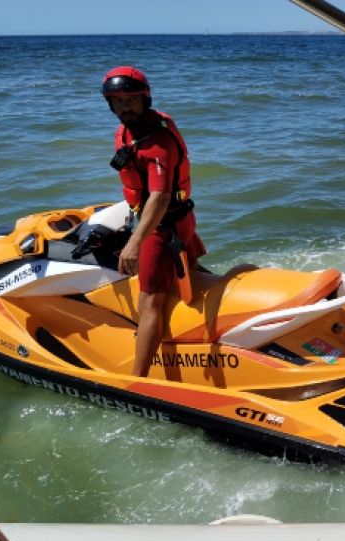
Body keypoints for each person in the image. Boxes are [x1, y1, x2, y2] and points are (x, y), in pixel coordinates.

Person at [102, 66, 205, 378]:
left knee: (148, 305)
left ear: (145, 98)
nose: (125, 107)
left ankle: (139, 379)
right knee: (190, 279)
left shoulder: (157, 142)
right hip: (180, 218)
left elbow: (159, 198)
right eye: (117, 101)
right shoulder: (136, 130)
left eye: (132, 99)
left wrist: (134, 244)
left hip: (164, 227)